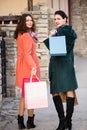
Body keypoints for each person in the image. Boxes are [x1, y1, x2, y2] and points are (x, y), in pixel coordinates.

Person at [43, 10, 78, 130]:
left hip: (61, 65)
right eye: (55, 19)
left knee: (57, 92)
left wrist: (51, 36)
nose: (56, 21)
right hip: (64, 65)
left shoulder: (64, 31)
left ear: (65, 19)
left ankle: (64, 121)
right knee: (66, 91)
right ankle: (67, 122)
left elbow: (56, 50)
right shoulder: (66, 31)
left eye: (58, 18)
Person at [14, 13, 40, 129]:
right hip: (29, 68)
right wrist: (33, 66)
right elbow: (27, 53)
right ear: (23, 23)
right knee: (31, 95)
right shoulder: (27, 36)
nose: (30, 22)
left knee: (25, 96)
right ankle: (30, 121)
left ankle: (20, 121)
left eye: (31, 20)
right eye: (27, 20)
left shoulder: (21, 34)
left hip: (23, 66)